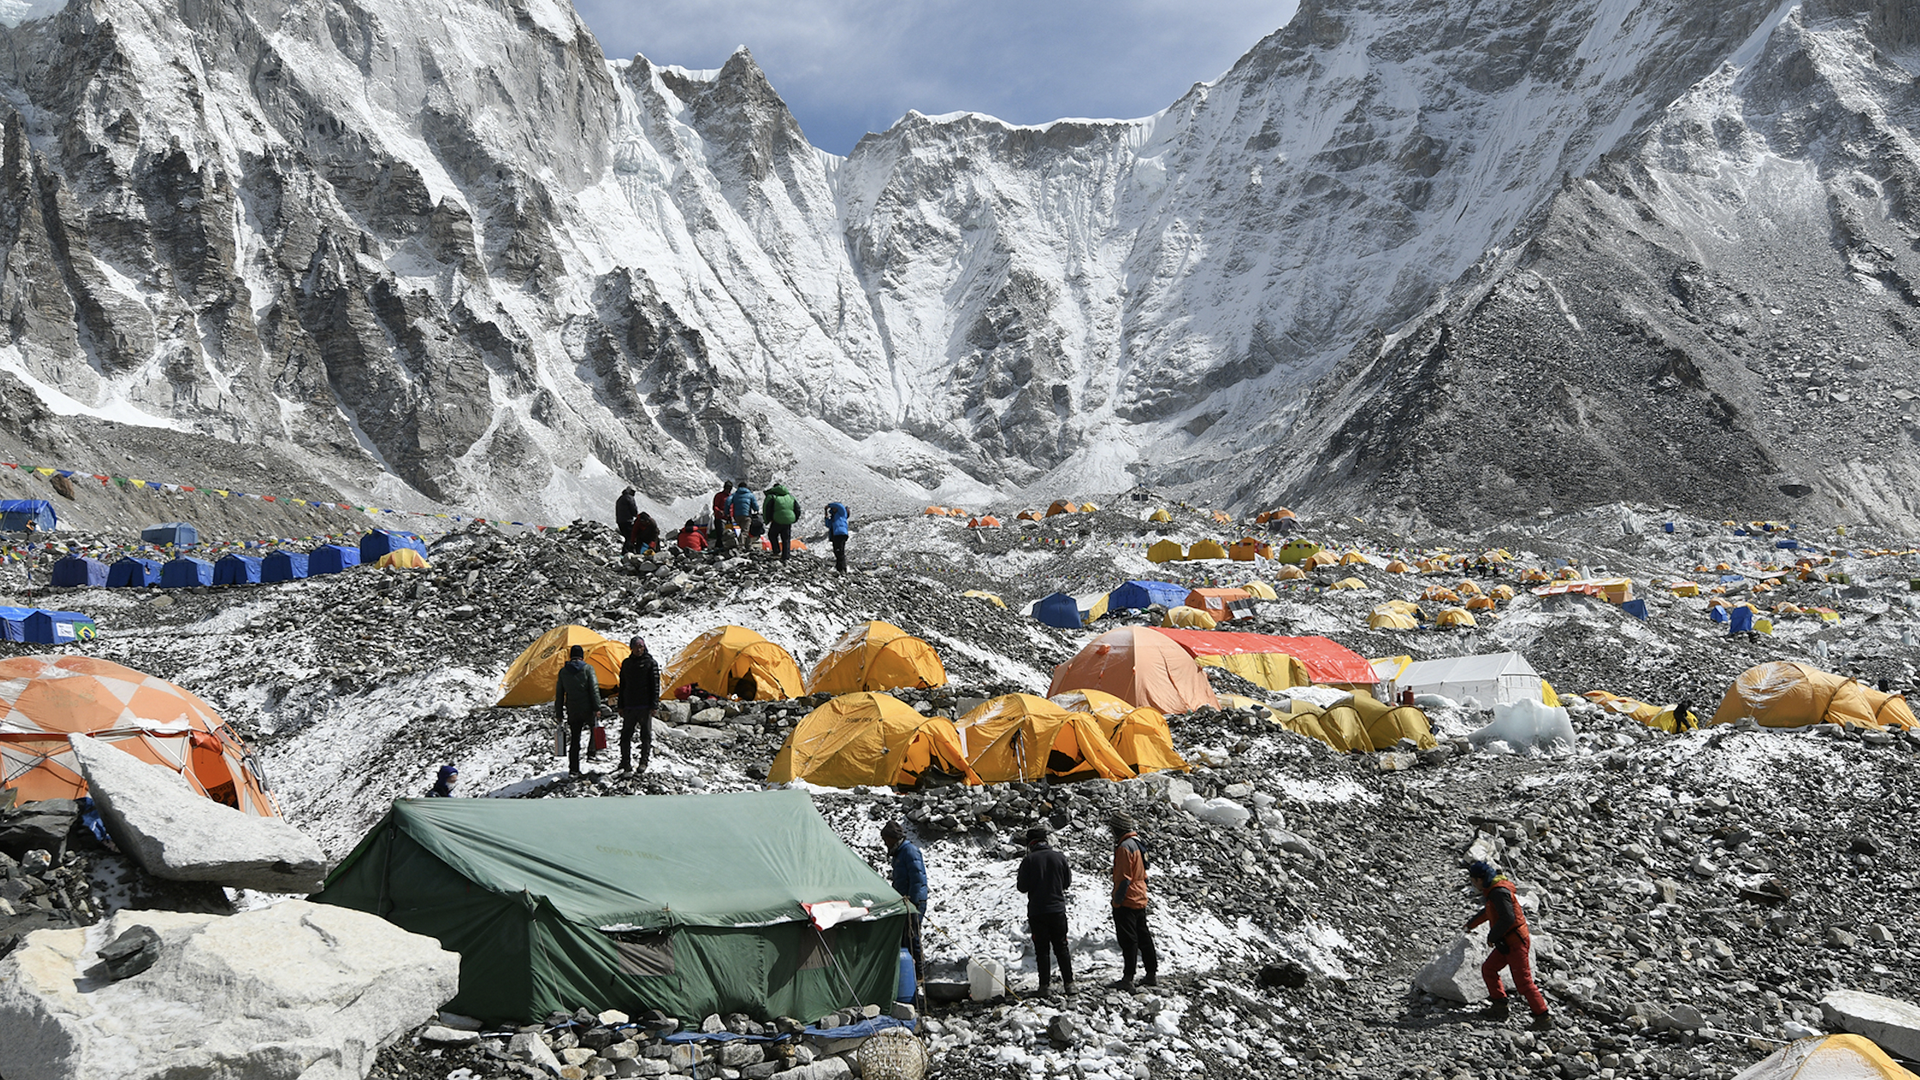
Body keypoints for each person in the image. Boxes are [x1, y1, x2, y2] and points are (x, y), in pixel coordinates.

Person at [1464, 860, 1550, 1028]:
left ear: (1480, 879)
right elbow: (1490, 912)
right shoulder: (1493, 892)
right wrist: (1471, 924)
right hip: (1507, 941)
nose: (1473, 884)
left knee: (1523, 983)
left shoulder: (1498, 893)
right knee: (1489, 969)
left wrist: (1492, 936)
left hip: (1515, 942)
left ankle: (1543, 1017)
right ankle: (1499, 1006)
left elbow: (1508, 918)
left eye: (1473, 880)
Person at [1017, 826, 1073, 995]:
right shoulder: (1059, 857)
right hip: (1057, 910)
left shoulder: (1029, 860)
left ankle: (1044, 986)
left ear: (1030, 844)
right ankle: (1069, 984)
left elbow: (1022, 887)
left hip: (1037, 911)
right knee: (1061, 947)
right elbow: (1067, 883)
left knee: (1042, 950)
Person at [1109, 813, 1158, 990]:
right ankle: (1151, 973)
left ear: (1117, 828)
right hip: (1140, 896)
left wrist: (1117, 901)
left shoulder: (1124, 847)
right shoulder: (1138, 843)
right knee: (1144, 936)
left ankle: (1128, 978)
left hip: (1127, 899)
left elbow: (1123, 878)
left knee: (1128, 940)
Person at [882, 821, 928, 980]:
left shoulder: (909, 851)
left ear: (893, 838)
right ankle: (910, 973)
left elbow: (917, 879)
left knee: (912, 934)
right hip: (904, 902)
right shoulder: (898, 853)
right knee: (905, 936)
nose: (885, 843)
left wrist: (913, 902)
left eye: (886, 839)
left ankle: (920, 973)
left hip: (914, 902)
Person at [554, 644, 603, 775]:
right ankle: (591, 753)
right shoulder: (588, 669)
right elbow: (594, 689)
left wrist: (559, 713)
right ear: (582, 656)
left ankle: (574, 769)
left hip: (573, 710)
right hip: (587, 709)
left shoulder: (563, 672)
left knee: (575, 739)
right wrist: (597, 707)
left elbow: (559, 694)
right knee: (594, 728)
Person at [618, 637, 659, 773]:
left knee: (645, 735)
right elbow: (622, 685)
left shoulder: (650, 663)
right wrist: (621, 705)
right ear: (631, 648)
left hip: (645, 705)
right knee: (625, 735)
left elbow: (655, 685)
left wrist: (654, 705)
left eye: (640, 647)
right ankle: (625, 762)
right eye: (636, 647)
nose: (638, 649)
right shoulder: (627, 664)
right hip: (629, 704)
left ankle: (643, 761)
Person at [764, 482, 800, 562]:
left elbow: (768, 509)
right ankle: (786, 556)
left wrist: (769, 519)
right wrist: (794, 518)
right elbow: (797, 509)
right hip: (788, 521)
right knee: (786, 538)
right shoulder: (790, 497)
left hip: (777, 520)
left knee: (772, 535)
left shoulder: (773, 497)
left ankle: (776, 551)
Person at [824, 500, 851, 573]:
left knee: (840, 551)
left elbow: (839, 505)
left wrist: (828, 505)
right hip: (835, 535)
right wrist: (826, 515)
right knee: (837, 551)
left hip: (840, 533)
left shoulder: (841, 513)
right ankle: (839, 568)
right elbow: (828, 525)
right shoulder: (834, 517)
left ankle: (842, 568)